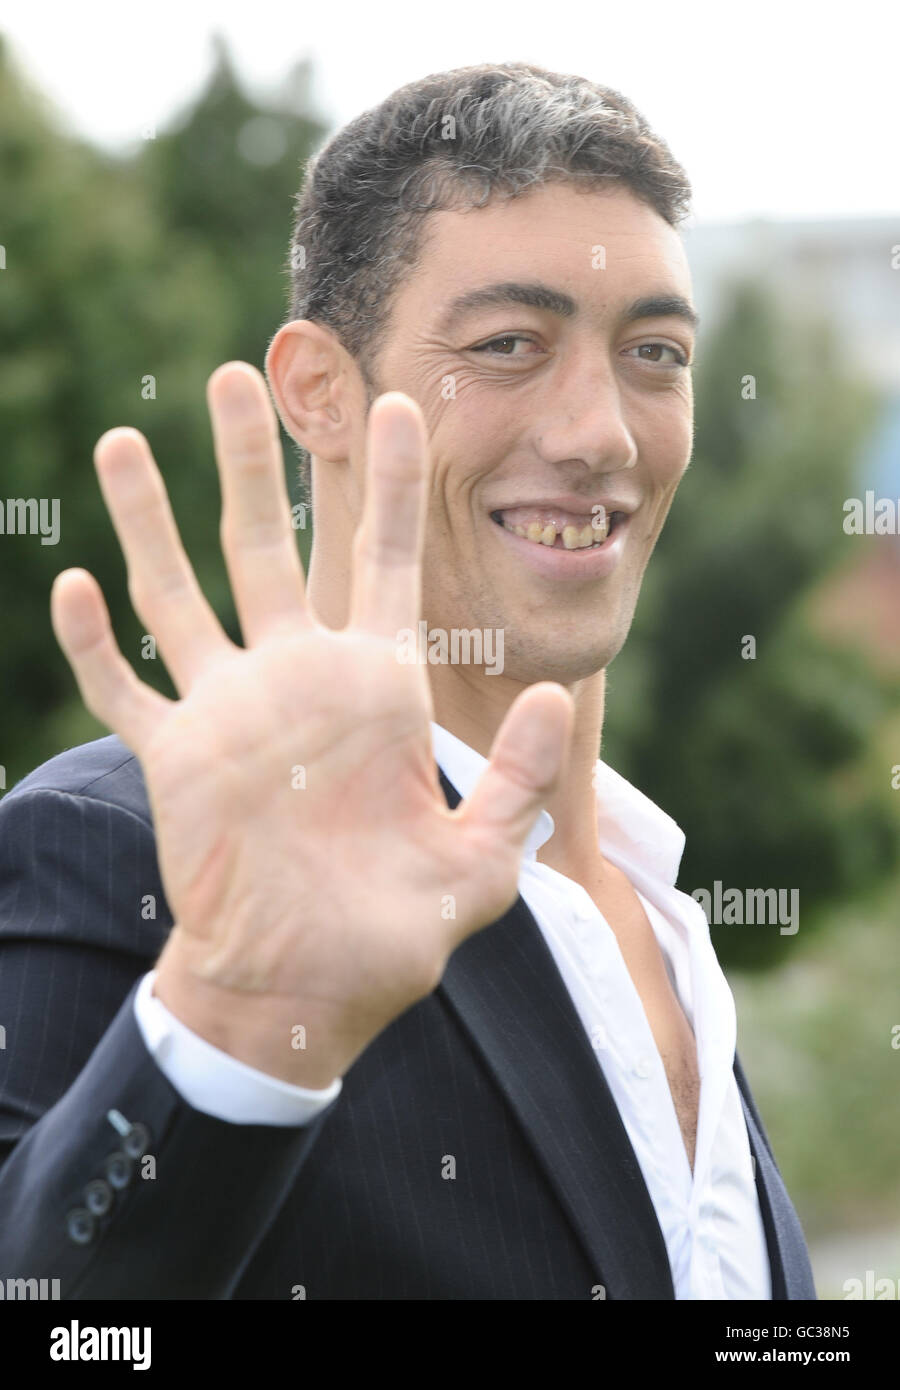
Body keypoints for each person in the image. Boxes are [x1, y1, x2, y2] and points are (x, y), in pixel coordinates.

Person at [0, 62, 815, 1300]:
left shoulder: (663, 915)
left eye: (656, 352)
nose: (600, 431)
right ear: (321, 392)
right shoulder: (129, 851)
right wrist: (233, 1018)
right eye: (507, 345)